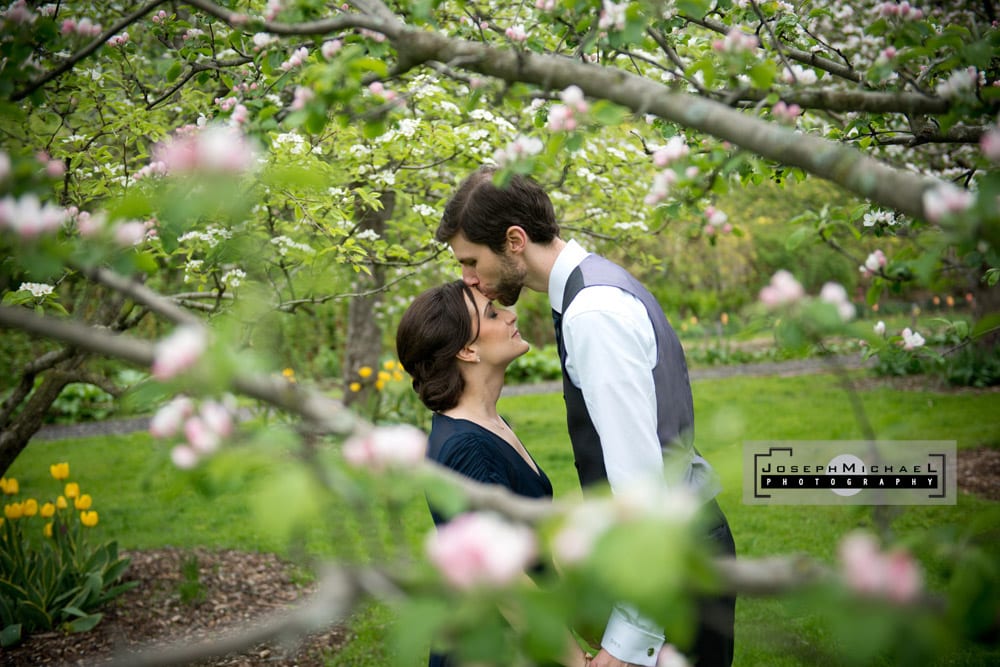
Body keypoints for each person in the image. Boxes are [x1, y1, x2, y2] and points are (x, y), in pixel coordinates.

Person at [436, 166, 736, 667]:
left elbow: (640, 487)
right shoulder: (598, 286)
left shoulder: (592, 315)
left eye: (472, 260)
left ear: (514, 240)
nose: (469, 279)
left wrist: (626, 645)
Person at [396, 279, 590, 667]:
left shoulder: (485, 423)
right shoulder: (467, 447)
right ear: (466, 350)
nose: (511, 314)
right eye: (492, 313)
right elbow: (502, 582)